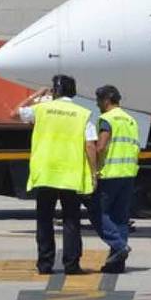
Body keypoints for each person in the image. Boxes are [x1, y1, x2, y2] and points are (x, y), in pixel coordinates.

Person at [18, 75, 97, 275]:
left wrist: (37, 95)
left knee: (44, 220)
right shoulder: (83, 114)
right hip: (70, 176)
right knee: (71, 221)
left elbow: (15, 112)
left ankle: (45, 264)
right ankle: (71, 265)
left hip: (45, 174)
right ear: (73, 92)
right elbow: (89, 145)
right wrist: (94, 173)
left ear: (54, 91)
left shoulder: (41, 110)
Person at [89, 85, 140, 274]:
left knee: (97, 214)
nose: (97, 105)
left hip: (110, 173)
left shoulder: (106, 119)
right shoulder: (131, 120)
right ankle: (116, 265)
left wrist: (91, 164)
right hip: (128, 173)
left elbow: (101, 146)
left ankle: (119, 247)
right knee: (120, 219)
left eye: (98, 101)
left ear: (106, 101)